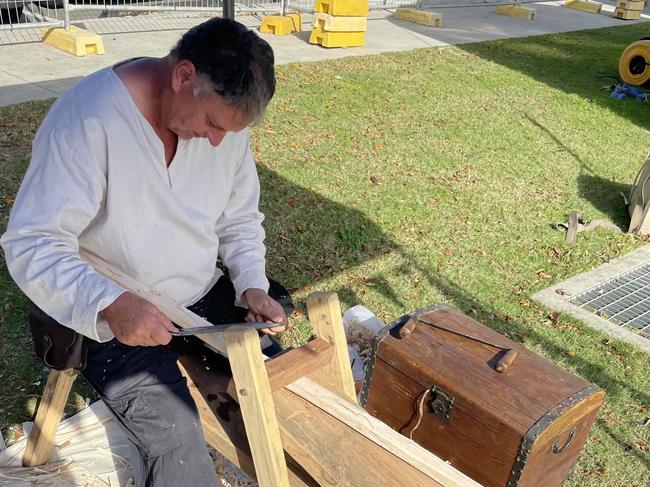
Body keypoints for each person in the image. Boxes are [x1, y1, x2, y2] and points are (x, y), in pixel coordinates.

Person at [1, 18, 289, 486]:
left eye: (230, 132)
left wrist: (252, 284)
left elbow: (238, 219)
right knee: (179, 448)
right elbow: (32, 243)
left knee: (281, 391)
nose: (218, 141)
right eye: (214, 124)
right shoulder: (88, 120)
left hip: (196, 294)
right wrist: (112, 303)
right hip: (108, 307)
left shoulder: (226, 129)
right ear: (183, 76)